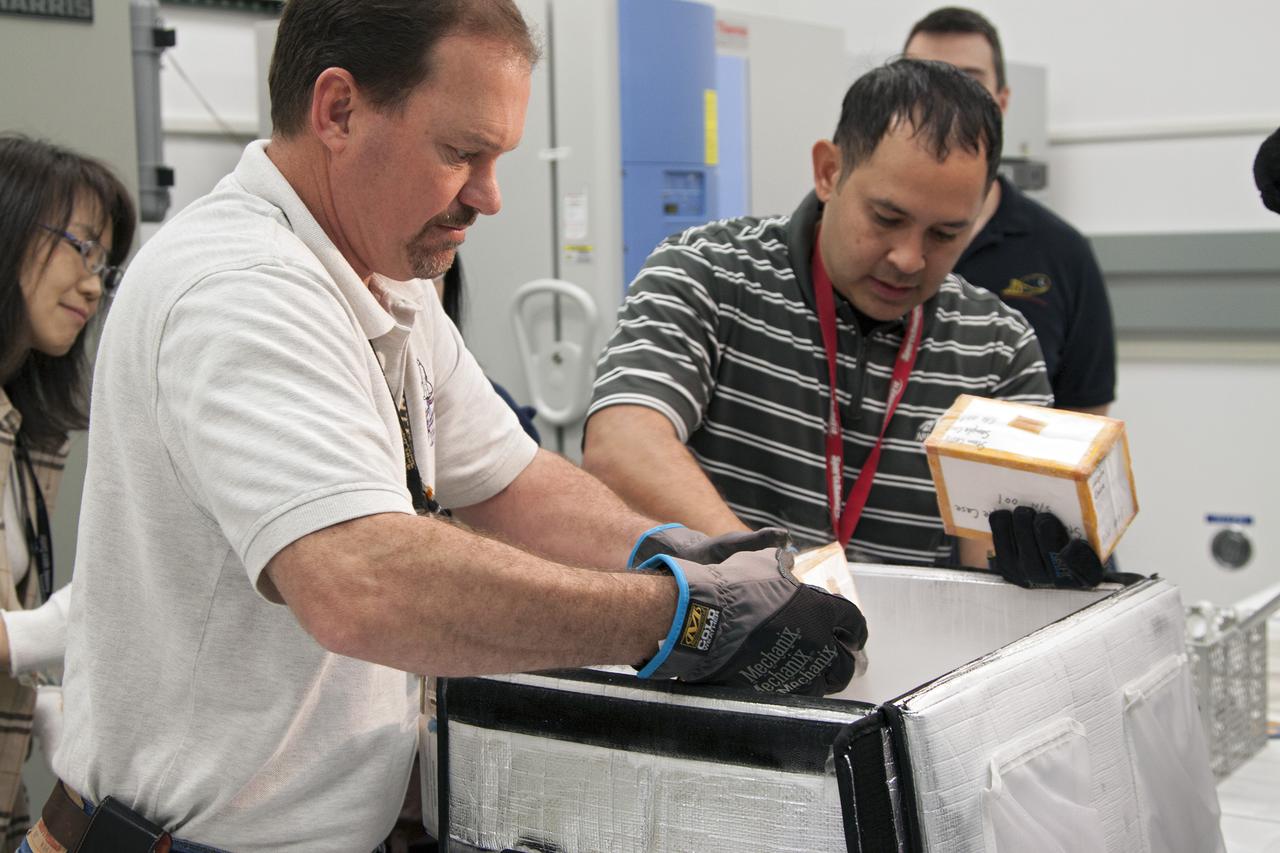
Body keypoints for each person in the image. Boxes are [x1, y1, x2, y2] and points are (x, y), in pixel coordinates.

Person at [35, 3, 865, 852]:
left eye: (497, 158)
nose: (490, 195)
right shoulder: (241, 289)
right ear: (339, 111)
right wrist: (676, 615)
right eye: (461, 152)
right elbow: (362, 579)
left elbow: (510, 478)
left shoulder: (387, 283)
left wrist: (682, 550)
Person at [583, 59, 1053, 569]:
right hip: (727, 632)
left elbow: (995, 557)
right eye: (887, 218)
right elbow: (620, 444)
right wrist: (768, 582)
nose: (908, 258)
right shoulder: (710, 274)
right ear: (829, 172)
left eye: (945, 234)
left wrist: (1042, 564)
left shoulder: (999, 348)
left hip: (922, 642)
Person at [0, 134, 135, 847]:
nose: (93, 283)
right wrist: (47, 632)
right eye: (79, 248)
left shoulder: (26, 436)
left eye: (104, 264)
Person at [904, 7, 1116, 415]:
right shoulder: (858, 239)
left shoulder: (1063, 253)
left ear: (1001, 102)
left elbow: (1086, 423)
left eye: (968, 82)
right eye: (923, 80)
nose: (944, 103)